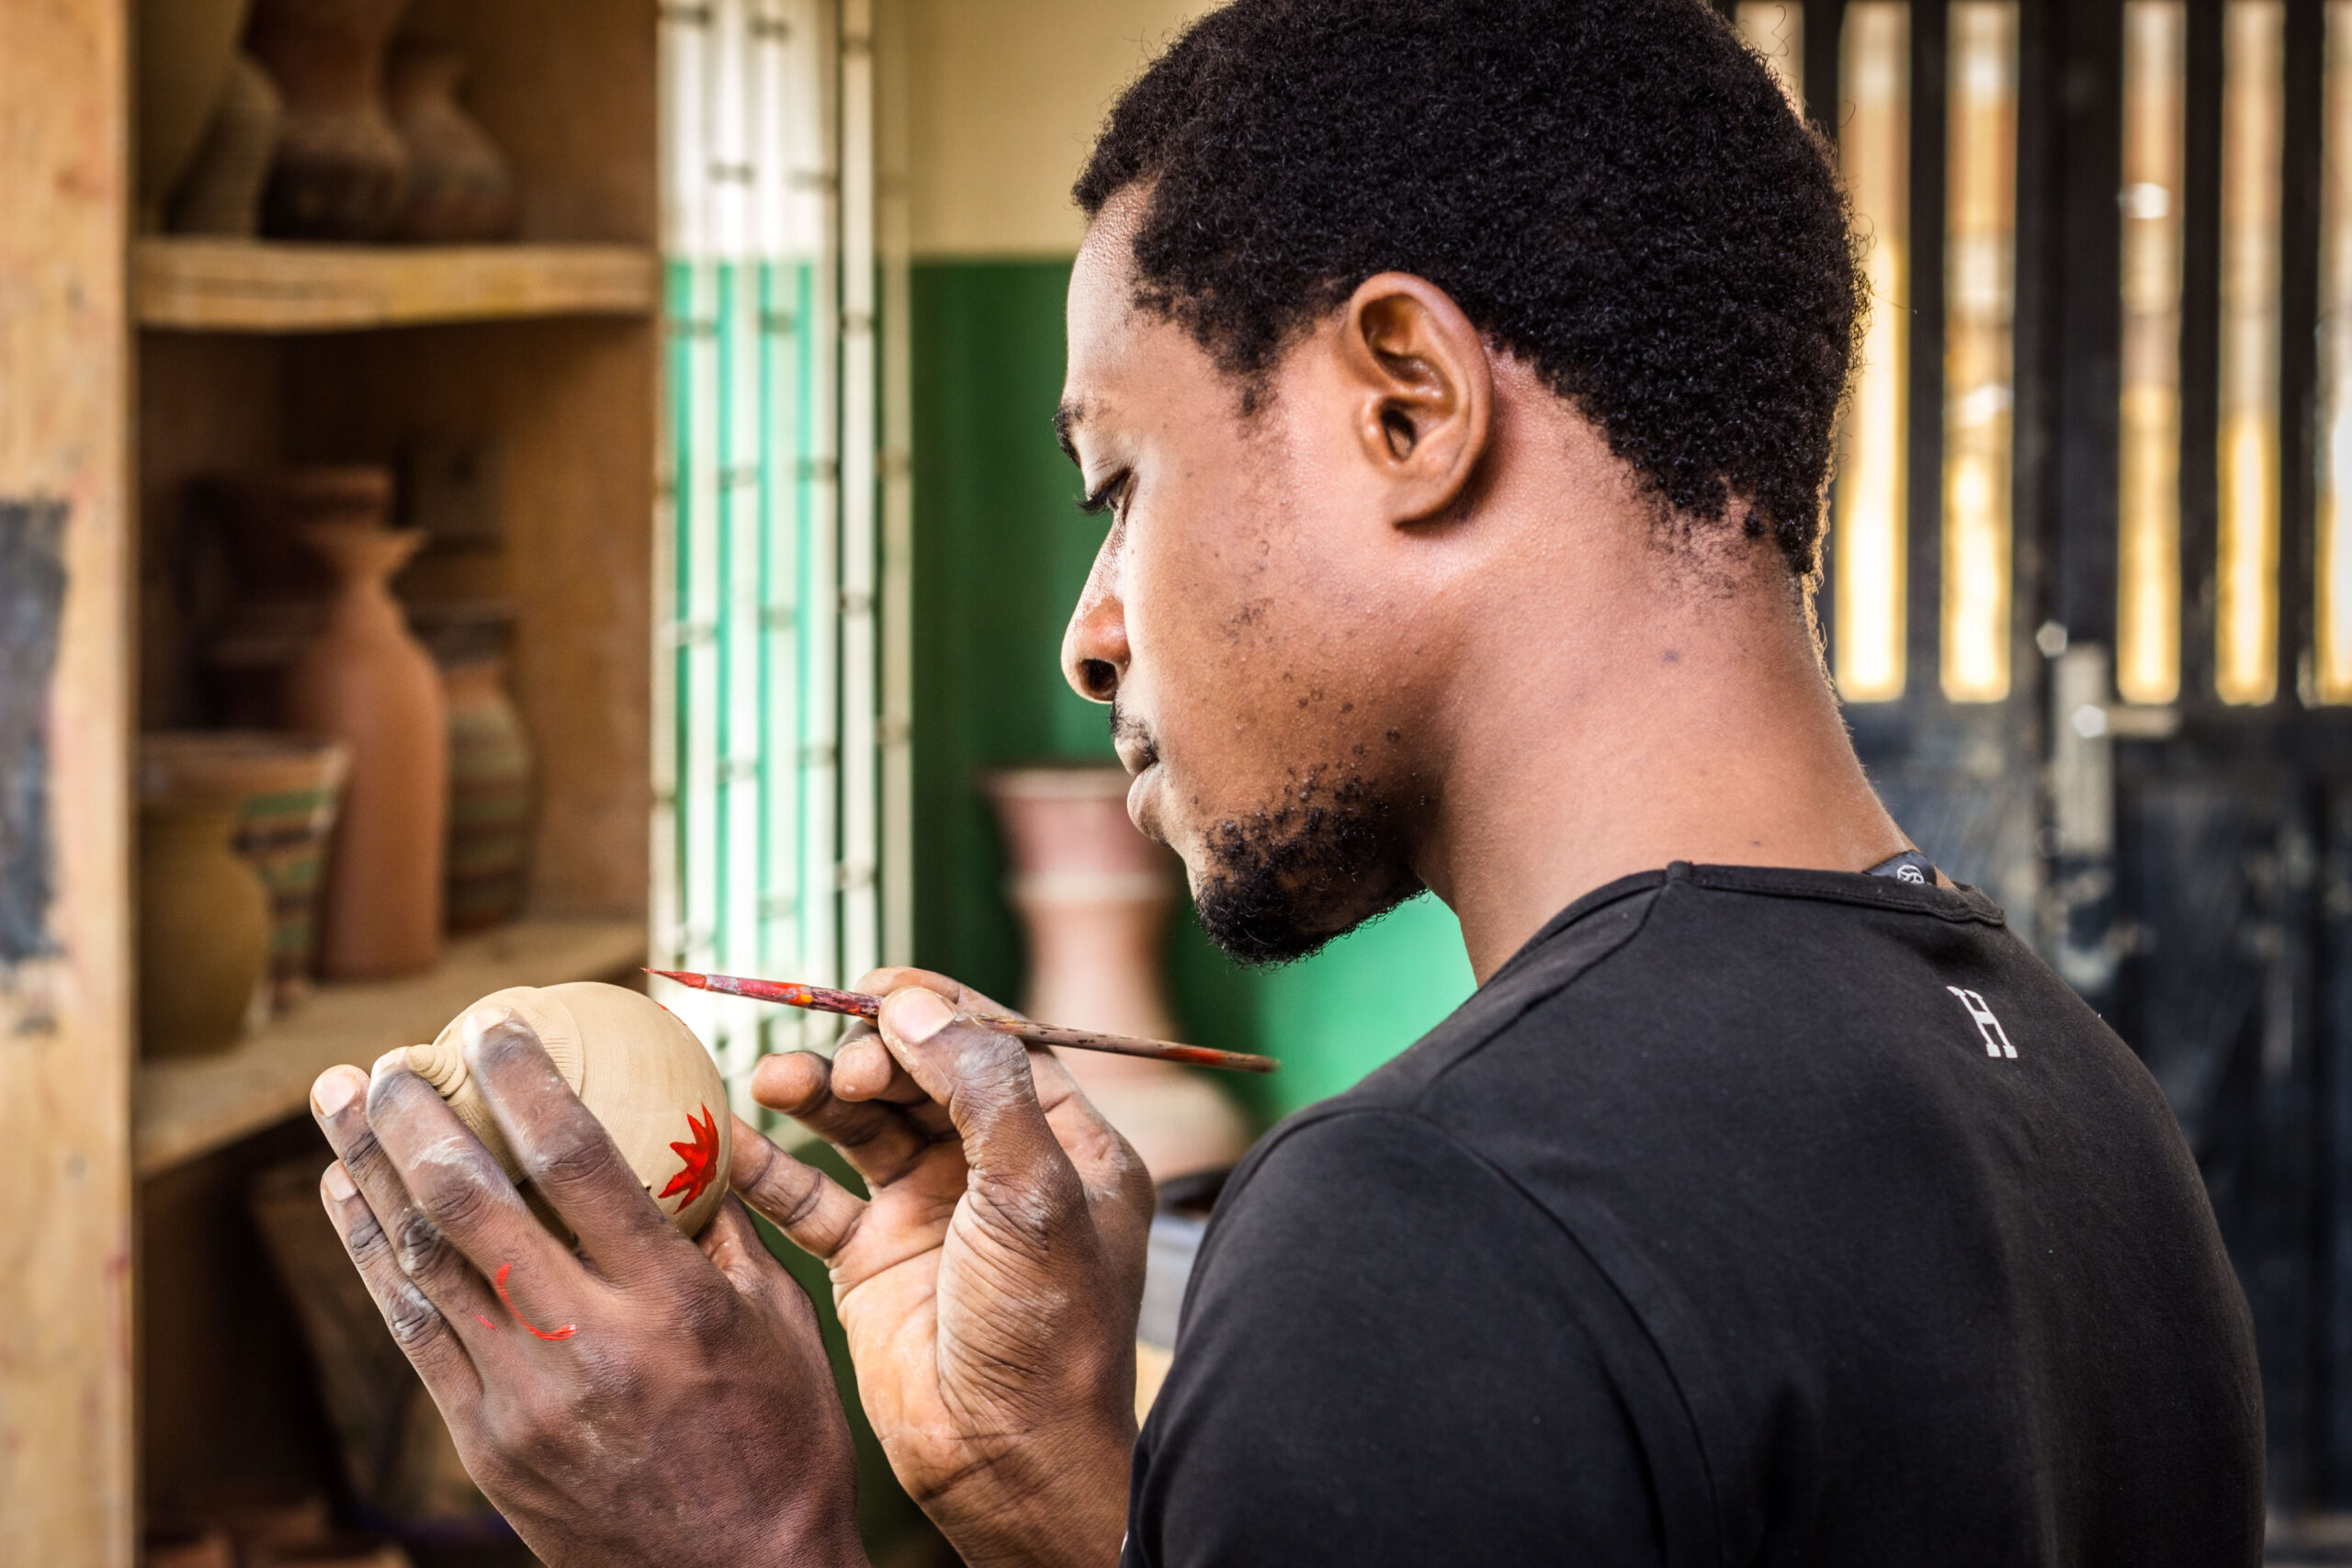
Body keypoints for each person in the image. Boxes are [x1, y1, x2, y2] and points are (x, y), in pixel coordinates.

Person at [303, 0, 2265, 1562]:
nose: (1089, 629)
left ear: (1406, 401)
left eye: (1119, 483)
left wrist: (740, 1540)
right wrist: (1046, 1486)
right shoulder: (2086, 1113)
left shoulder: (1436, 1223)